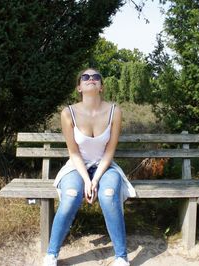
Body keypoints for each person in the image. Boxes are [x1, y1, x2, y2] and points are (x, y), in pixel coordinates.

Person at [43, 68, 136, 266]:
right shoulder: (68, 113)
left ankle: (121, 257)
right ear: (79, 87)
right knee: (71, 196)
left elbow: (110, 152)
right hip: (77, 166)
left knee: (109, 194)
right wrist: (86, 180)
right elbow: (74, 153)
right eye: (85, 77)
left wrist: (95, 180)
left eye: (96, 77)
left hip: (105, 166)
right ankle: (51, 254)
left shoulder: (114, 111)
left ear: (101, 86)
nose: (91, 79)